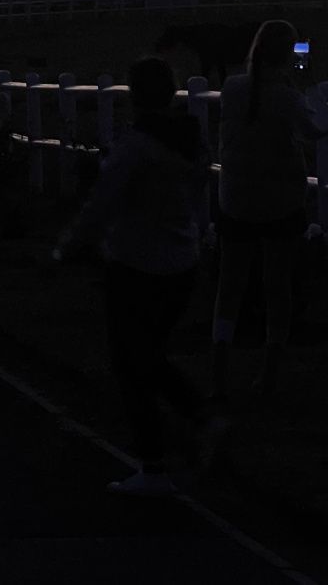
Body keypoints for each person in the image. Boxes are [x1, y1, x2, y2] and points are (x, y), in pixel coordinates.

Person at [54, 56, 219, 497]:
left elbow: (102, 203)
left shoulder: (136, 145)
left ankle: (157, 461)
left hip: (136, 264)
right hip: (182, 261)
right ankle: (196, 420)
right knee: (148, 355)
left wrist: (68, 247)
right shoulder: (191, 141)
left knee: (131, 364)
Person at [210, 19, 328, 400]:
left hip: (236, 197)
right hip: (280, 200)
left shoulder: (233, 88)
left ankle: (219, 367)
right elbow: (319, 128)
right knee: (277, 286)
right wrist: (309, 84)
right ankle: (269, 371)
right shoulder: (287, 97)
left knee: (229, 285)